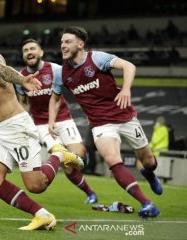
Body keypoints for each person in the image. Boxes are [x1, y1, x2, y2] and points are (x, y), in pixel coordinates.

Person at [0, 18, 84, 231]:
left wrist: (22, 80)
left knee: (36, 185)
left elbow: (4, 70)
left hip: (16, 126)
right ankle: (42, 215)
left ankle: (59, 155)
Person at [49, 26, 162, 219]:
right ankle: (147, 203)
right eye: (61, 42)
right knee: (112, 159)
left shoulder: (97, 58)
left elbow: (129, 66)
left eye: (67, 41)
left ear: (80, 44)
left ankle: (149, 173)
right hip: (101, 124)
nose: (63, 45)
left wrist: (126, 90)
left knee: (149, 161)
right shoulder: (62, 73)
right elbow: (55, 97)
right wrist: (51, 120)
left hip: (124, 116)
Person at [16, 38, 98, 204]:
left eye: (32, 48)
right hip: (41, 125)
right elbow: (23, 104)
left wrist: (89, 111)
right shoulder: (21, 77)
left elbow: (77, 90)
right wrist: (22, 125)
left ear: (41, 53)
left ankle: (84, 154)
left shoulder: (56, 70)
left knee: (78, 158)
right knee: (67, 165)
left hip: (63, 119)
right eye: (25, 50)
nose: (29, 52)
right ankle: (90, 193)